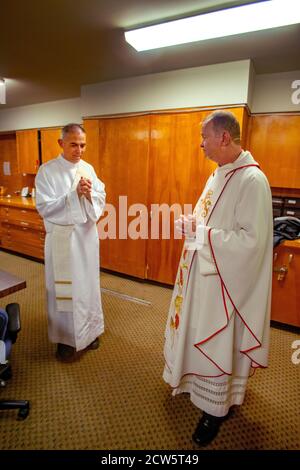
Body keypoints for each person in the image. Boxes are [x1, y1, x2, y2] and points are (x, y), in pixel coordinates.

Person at [163, 111, 273, 445]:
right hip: (204, 273)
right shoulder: (218, 174)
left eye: (205, 138)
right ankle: (195, 385)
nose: (201, 145)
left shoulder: (253, 180)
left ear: (224, 138)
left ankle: (215, 410)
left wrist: (203, 233)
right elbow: (208, 219)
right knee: (198, 332)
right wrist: (191, 224)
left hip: (227, 284)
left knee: (219, 340)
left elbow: (252, 243)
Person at [35, 123, 106, 362]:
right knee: (64, 291)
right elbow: (44, 206)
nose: (79, 150)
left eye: (83, 145)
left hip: (85, 239)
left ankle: (90, 332)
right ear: (61, 143)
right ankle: (66, 340)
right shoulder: (47, 171)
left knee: (87, 288)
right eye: (74, 144)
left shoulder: (88, 169)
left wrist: (88, 195)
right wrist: (73, 196)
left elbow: (100, 197)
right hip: (63, 242)